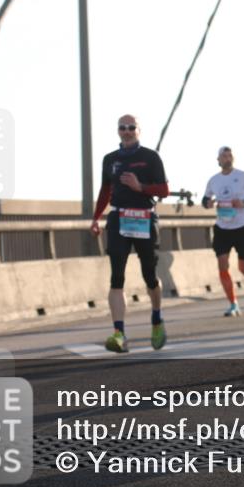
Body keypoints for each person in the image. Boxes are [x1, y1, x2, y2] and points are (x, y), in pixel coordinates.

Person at [90, 114, 170, 353]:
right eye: (122, 128)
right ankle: (119, 333)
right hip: (119, 219)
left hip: (144, 218)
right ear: (118, 131)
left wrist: (140, 187)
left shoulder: (150, 157)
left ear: (138, 130)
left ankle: (156, 319)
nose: (126, 131)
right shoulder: (110, 160)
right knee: (117, 277)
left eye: (131, 127)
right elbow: (105, 191)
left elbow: (164, 190)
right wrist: (95, 218)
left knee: (149, 275)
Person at [202, 146, 244, 317]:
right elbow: (205, 200)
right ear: (218, 160)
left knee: (243, 266)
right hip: (222, 228)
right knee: (222, 264)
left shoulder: (242, 176)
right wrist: (209, 203)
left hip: (243, 226)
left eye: (230, 155)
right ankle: (233, 303)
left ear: (233, 158)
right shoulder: (214, 180)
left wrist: (243, 203)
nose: (227, 158)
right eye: (224, 156)